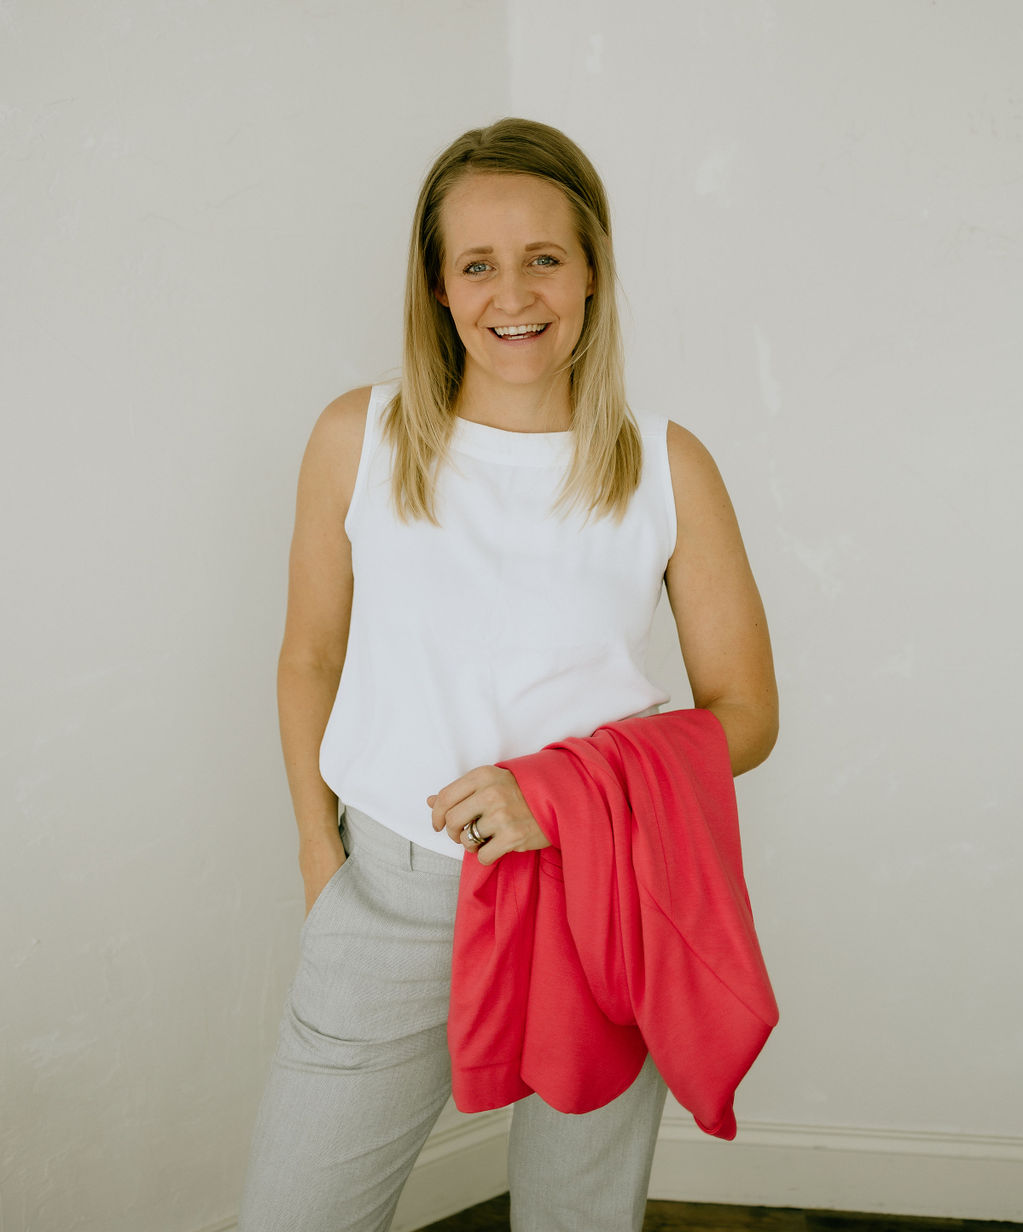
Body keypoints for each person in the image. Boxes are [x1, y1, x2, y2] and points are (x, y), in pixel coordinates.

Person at [238, 118, 778, 1232]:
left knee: (578, 1217)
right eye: (477, 264)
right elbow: (309, 657)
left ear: (591, 271)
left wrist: (563, 793)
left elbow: (749, 713)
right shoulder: (360, 437)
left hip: (598, 888)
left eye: (544, 257)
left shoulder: (664, 465)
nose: (514, 294)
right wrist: (318, 860)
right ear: (437, 286)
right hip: (389, 895)